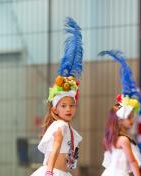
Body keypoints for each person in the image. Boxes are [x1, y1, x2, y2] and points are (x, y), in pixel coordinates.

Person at [30, 17, 83, 176]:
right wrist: (49, 171)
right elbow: (56, 147)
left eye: (71, 105)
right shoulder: (60, 126)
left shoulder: (69, 129)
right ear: (55, 109)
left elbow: (70, 159)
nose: (68, 109)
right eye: (63, 105)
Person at [99, 50, 141, 176]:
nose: (132, 120)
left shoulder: (111, 138)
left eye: (132, 117)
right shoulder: (123, 140)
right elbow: (133, 162)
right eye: (129, 117)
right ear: (119, 120)